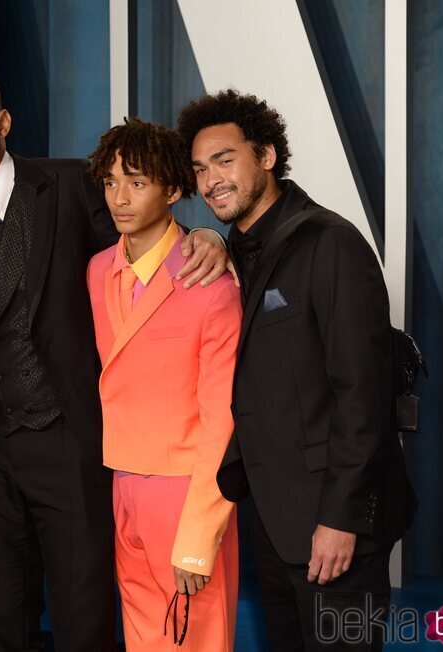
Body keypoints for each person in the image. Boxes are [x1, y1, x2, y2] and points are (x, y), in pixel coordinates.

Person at [0, 68, 231, 651]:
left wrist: (209, 238)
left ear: (2, 122)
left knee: (83, 614)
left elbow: (144, 230)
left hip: (71, 438)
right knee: (1, 622)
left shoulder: (71, 184)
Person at [177, 90, 416, 651]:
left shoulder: (330, 243)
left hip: (334, 528)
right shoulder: (231, 251)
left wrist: (341, 520)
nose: (211, 180)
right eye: (199, 168)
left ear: (266, 155)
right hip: (271, 519)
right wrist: (212, 238)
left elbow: (363, 397)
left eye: (225, 160)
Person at [86, 118, 241, 651]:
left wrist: (200, 535)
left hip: (186, 490)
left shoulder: (210, 282)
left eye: (137, 181)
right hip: (122, 479)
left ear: (173, 190)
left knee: (193, 637)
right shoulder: (97, 269)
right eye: (110, 182)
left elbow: (221, 416)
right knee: (141, 634)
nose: (119, 197)